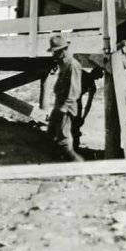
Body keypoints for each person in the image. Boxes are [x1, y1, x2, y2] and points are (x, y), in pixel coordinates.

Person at [46, 34, 85, 162]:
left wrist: (63, 109)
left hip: (66, 107)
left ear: (63, 51)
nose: (54, 55)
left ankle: (79, 165)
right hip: (60, 105)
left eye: (56, 52)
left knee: (63, 140)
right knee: (50, 134)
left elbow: (74, 91)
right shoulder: (63, 64)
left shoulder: (72, 65)